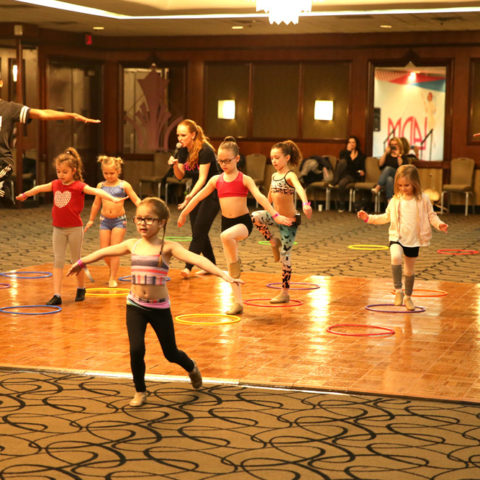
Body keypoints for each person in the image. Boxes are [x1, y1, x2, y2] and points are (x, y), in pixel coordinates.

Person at [67, 197, 241, 407]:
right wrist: (81, 261)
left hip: (159, 308)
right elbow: (104, 251)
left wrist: (223, 274)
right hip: (135, 306)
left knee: (170, 353)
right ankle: (140, 391)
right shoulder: (133, 244)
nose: (143, 223)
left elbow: (197, 259)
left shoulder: (168, 247)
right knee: (136, 350)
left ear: (162, 222)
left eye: (149, 219)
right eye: (139, 218)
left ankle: (191, 367)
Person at [177, 136, 292, 315]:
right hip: (227, 224)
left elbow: (260, 197)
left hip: (242, 224)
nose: (223, 164)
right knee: (232, 266)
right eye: (220, 161)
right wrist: (184, 212)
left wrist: (275, 215)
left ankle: (237, 264)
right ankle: (238, 303)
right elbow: (198, 197)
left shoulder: (245, 179)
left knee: (225, 237)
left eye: (227, 161)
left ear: (237, 159)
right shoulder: (216, 180)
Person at [16, 147, 125, 305]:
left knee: (76, 260)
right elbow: (39, 188)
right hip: (58, 229)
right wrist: (25, 194)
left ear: (73, 171)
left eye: (64, 172)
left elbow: (97, 192)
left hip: (74, 229)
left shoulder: (78, 186)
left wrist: (113, 198)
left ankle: (81, 288)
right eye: (58, 171)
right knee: (58, 260)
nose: (61, 175)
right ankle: (57, 294)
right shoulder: (55, 184)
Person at [357, 164, 448, 311]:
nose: (403, 188)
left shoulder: (423, 199)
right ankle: (398, 290)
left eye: (407, 185)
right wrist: (369, 218)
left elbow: (431, 216)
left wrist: (439, 224)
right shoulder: (396, 200)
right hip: (397, 237)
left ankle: (408, 297)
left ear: (415, 183)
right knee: (395, 257)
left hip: (414, 240)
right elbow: (386, 217)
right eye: (400, 185)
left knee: (409, 271)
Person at [0, 74, 100, 204]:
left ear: (1, 83)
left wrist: (71, 115)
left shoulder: (9, 108)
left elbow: (42, 113)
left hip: (2, 161)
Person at [252, 140, 313, 304]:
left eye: (277, 158)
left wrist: (306, 204)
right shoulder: (273, 176)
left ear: (287, 158)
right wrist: (267, 207)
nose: (274, 161)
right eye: (272, 158)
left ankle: (285, 292)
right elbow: (270, 197)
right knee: (255, 216)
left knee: (285, 256)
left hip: (289, 221)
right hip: (275, 216)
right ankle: (273, 241)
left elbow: (300, 189)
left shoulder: (290, 175)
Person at [167, 119, 220, 278]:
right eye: (178, 135)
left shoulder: (205, 150)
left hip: (212, 192)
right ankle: (211, 265)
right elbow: (180, 176)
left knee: (198, 232)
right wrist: (175, 165)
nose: (180, 138)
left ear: (193, 134)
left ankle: (188, 267)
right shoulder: (182, 150)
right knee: (199, 231)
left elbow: (203, 178)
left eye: (183, 135)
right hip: (197, 190)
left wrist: (190, 197)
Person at [84, 155, 141, 287]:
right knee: (105, 252)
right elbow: (96, 204)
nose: (109, 176)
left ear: (118, 171)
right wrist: (91, 219)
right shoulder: (100, 186)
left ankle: (112, 277)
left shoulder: (124, 185)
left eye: (112, 173)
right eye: (106, 173)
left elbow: (136, 199)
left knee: (115, 250)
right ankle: (113, 269)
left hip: (119, 221)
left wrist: (146, 209)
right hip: (104, 221)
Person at [328, 135, 366, 212]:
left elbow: (361, 168)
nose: (351, 144)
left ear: (356, 144)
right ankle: (335, 180)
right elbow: (342, 164)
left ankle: (341, 205)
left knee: (342, 183)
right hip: (344, 173)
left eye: (353, 142)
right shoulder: (343, 153)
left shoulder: (361, 155)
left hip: (353, 175)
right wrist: (348, 152)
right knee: (343, 162)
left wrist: (362, 171)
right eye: (349, 142)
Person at [371, 136, 405, 202]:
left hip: (399, 176)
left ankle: (378, 187)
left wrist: (398, 155)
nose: (393, 146)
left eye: (395, 144)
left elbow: (401, 167)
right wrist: (385, 153)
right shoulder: (387, 155)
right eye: (392, 145)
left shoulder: (402, 156)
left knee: (388, 168)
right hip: (391, 179)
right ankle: (389, 201)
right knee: (389, 179)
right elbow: (380, 165)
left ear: (399, 145)